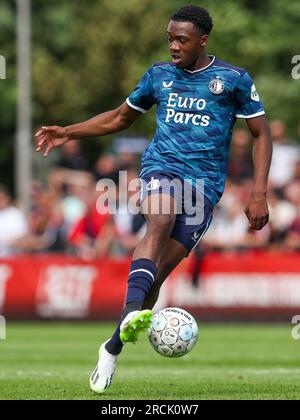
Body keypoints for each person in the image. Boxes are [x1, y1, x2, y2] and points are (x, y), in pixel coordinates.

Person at [35, 5, 272, 393]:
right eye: (169, 38)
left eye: (182, 39)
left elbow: (262, 134)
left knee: (156, 276)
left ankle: (111, 348)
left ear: (203, 40)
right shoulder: (158, 76)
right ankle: (132, 314)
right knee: (158, 219)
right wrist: (69, 132)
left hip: (204, 187)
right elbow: (119, 118)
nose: (174, 46)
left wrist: (259, 192)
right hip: (161, 169)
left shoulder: (233, 80)